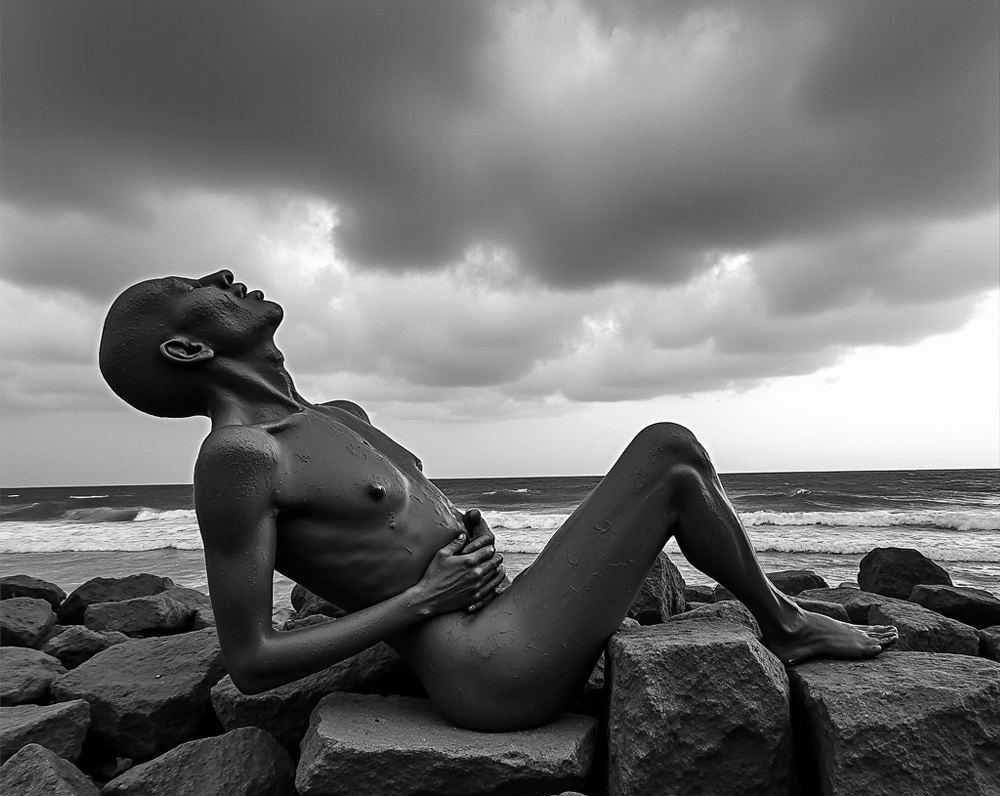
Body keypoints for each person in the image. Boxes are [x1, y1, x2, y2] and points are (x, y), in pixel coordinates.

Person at [100, 270, 897, 732]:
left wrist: (459, 535)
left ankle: (784, 620)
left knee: (671, 452)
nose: (220, 278)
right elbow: (251, 663)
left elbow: (386, 523)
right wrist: (422, 598)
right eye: (191, 288)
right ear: (187, 347)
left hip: (500, 614)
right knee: (671, 451)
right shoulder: (239, 457)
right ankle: (785, 625)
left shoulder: (339, 416)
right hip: (486, 671)